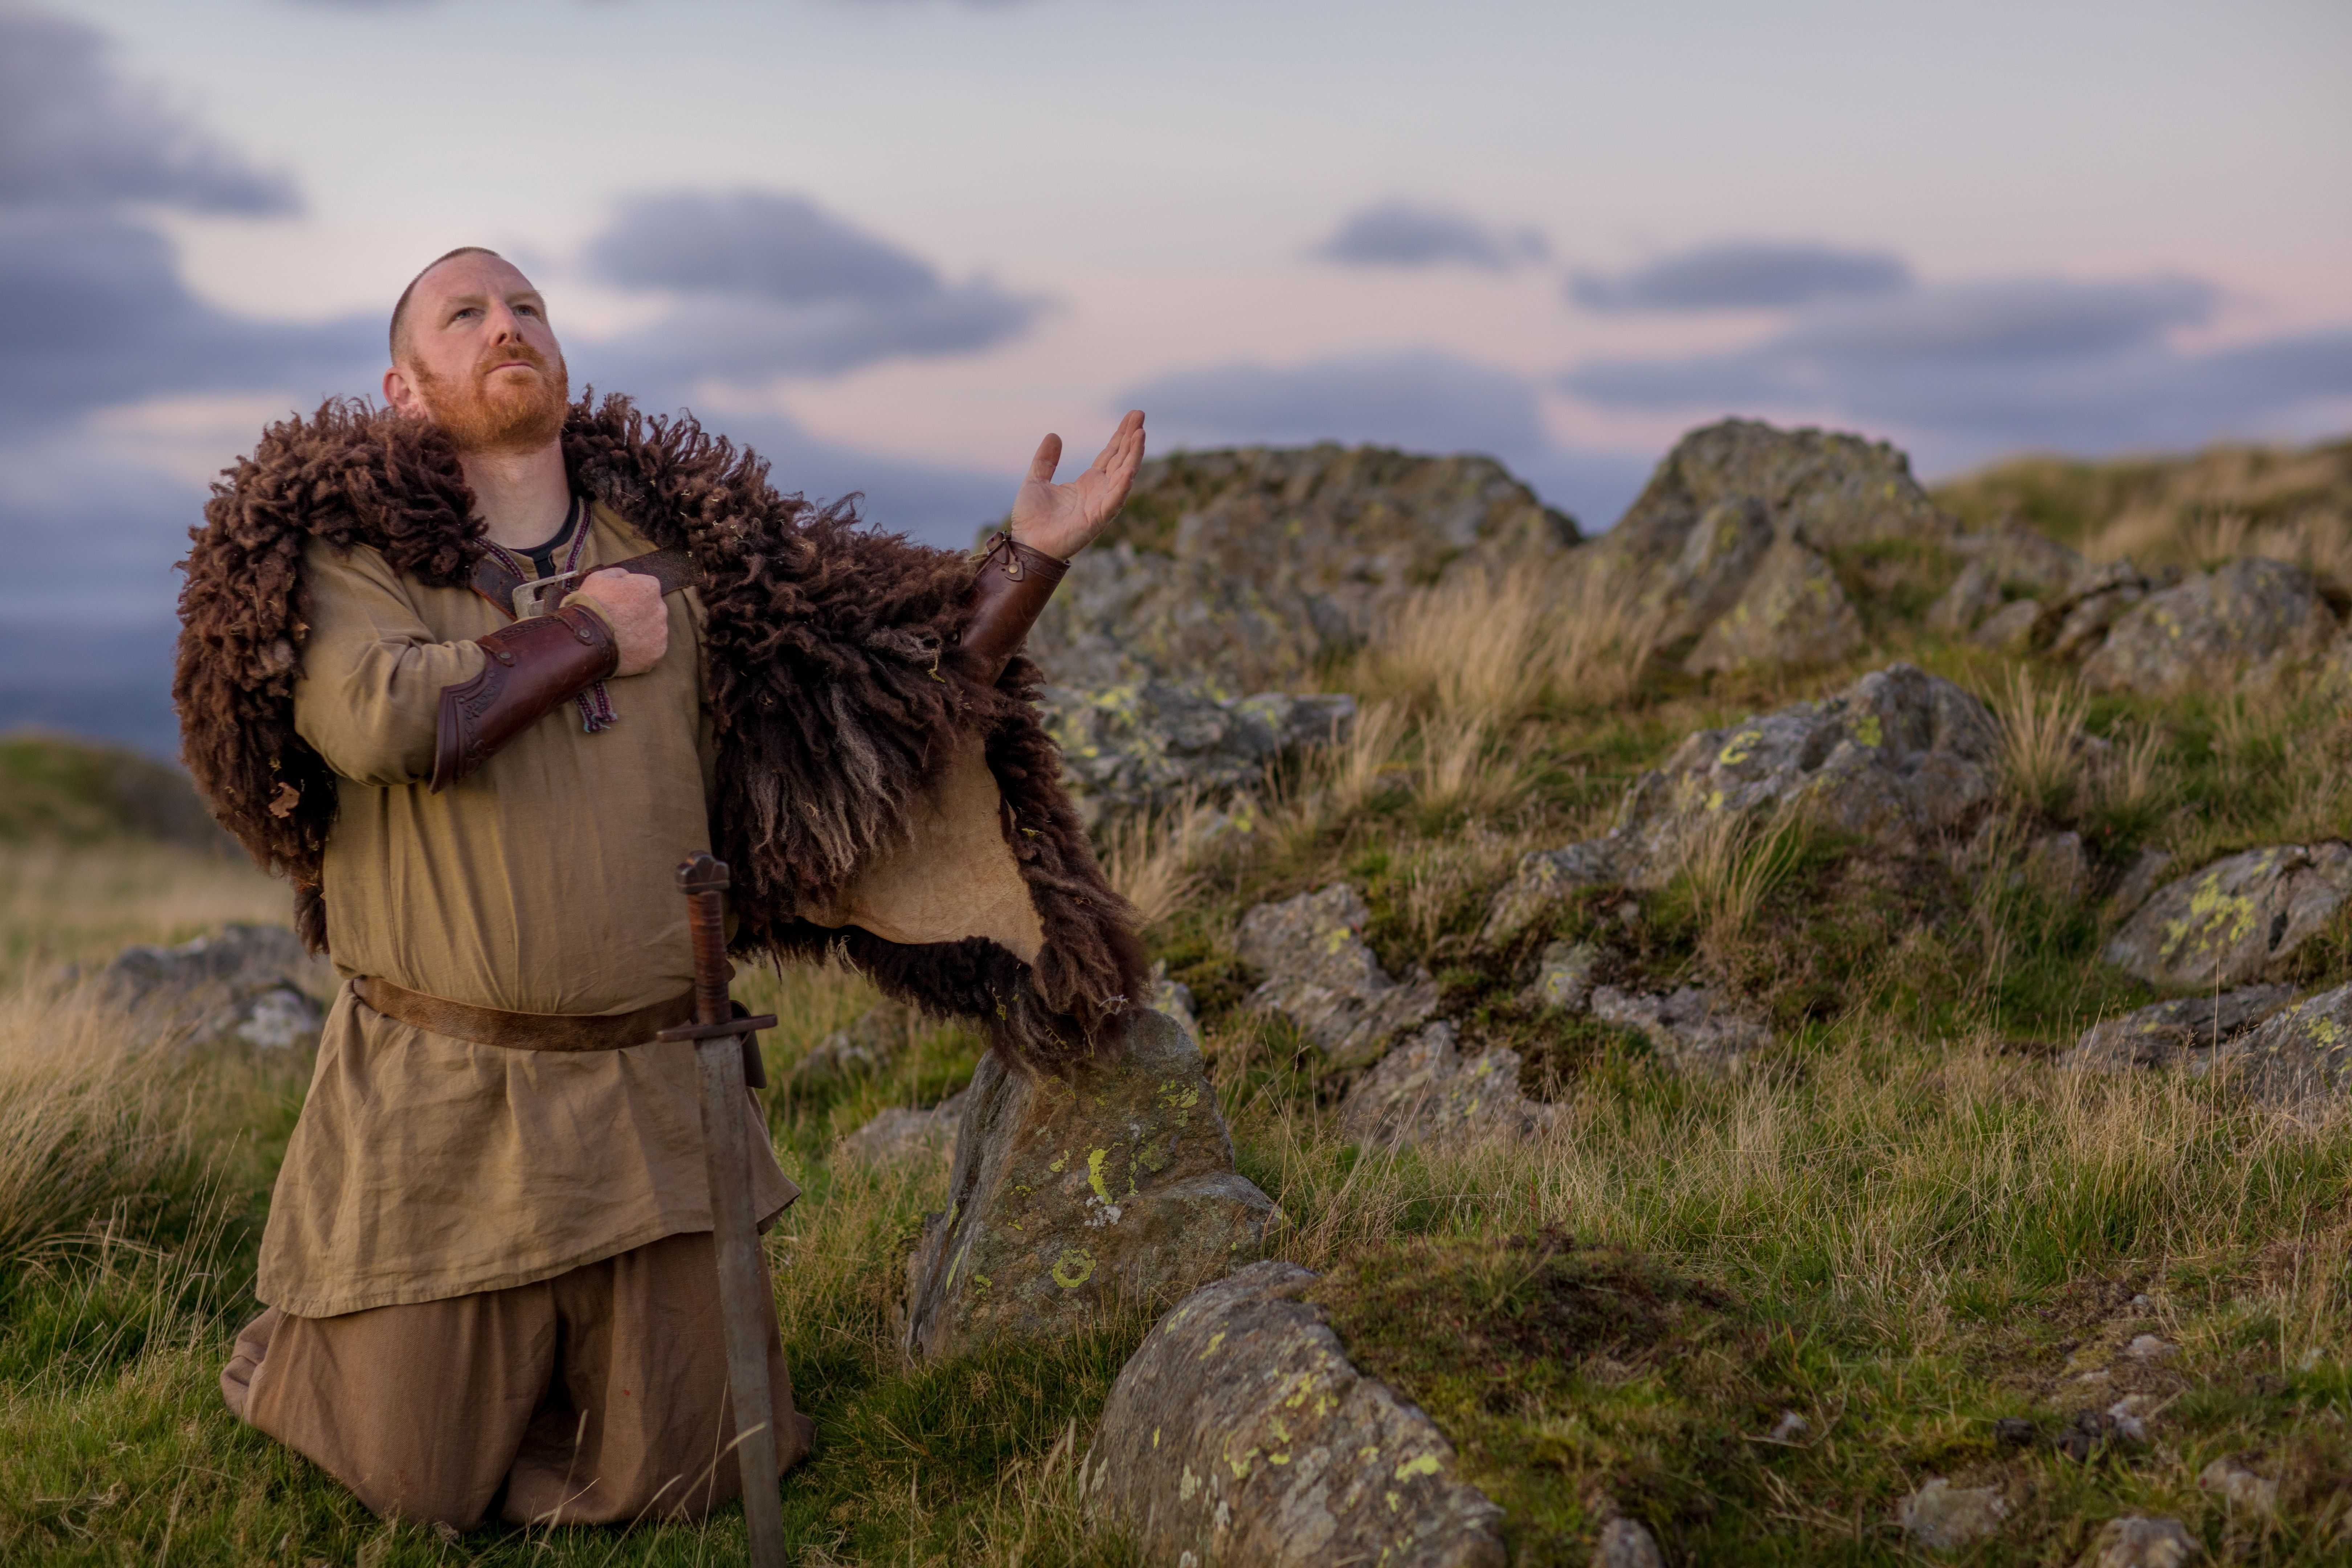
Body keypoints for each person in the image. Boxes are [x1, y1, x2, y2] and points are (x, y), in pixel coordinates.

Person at [177, 245, 1149, 1531]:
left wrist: (1028, 560)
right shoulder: (345, 552)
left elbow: (878, 704)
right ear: (405, 389)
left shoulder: (689, 549)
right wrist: (591, 635)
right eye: (463, 315)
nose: (504, 325)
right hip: (448, 1098)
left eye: (526, 306)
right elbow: (380, 723)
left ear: (561, 357)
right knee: (413, 1480)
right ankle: (324, 1351)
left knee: (697, 1473)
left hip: (652, 1091)